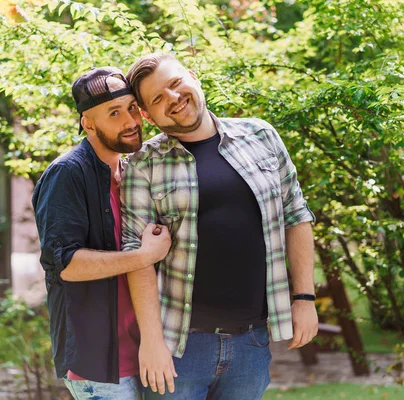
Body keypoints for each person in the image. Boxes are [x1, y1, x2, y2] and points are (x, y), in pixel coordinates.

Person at [121, 53, 319, 399]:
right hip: (178, 348)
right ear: (148, 116)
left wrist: (304, 298)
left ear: (194, 77)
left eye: (175, 83)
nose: (172, 98)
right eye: (157, 98)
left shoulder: (261, 136)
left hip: (251, 343)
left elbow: (296, 215)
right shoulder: (142, 166)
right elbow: (137, 256)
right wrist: (151, 342)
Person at [32, 66, 171, 400]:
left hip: (148, 352)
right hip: (99, 366)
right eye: (114, 113)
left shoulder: (132, 170)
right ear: (88, 123)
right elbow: (65, 264)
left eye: (132, 108)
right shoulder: (67, 173)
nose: (130, 121)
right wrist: (143, 257)